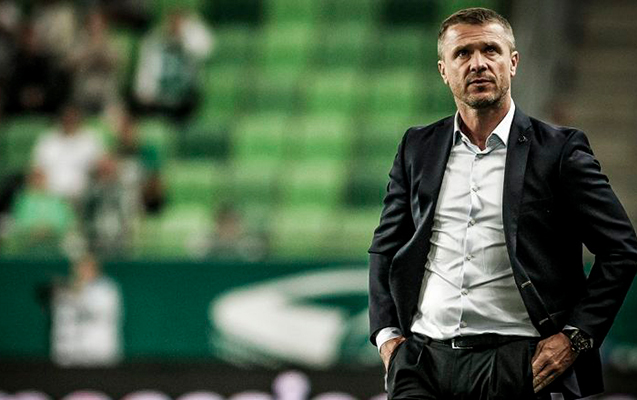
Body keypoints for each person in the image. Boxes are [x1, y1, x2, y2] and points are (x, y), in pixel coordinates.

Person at [368, 8, 637, 400]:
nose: (478, 63)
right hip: (422, 363)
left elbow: (621, 249)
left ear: (512, 62)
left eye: (490, 50)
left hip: (519, 362)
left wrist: (576, 337)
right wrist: (387, 337)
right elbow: (385, 246)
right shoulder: (417, 146)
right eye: (462, 53)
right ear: (444, 70)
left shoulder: (559, 150)